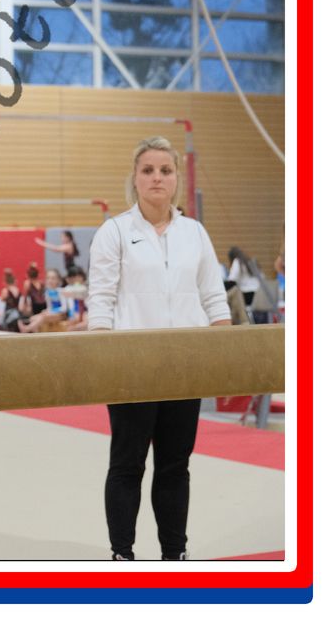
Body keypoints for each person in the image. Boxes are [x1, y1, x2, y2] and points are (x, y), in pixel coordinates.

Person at [88, 136, 231, 562]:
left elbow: (214, 297)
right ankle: (122, 555)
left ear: (176, 179)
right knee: (128, 464)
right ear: (134, 178)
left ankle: (175, 555)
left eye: (165, 170)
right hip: (131, 365)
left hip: (185, 364)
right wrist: (102, 357)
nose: (157, 178)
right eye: (148, 170)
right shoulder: (115, 231)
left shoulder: (194, 233)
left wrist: (230, 356)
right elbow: (101, 300)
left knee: (174, 465)